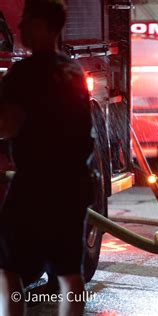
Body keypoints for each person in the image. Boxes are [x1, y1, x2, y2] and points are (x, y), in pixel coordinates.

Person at [0, 1, 94, 315]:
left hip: (34, 184)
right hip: (73, 183)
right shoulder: (73, 70)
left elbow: (7, 125)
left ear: (44, 26)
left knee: (8, 267)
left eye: (27, 21)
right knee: (70, 272)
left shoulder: (24, 73)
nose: (20, 27)